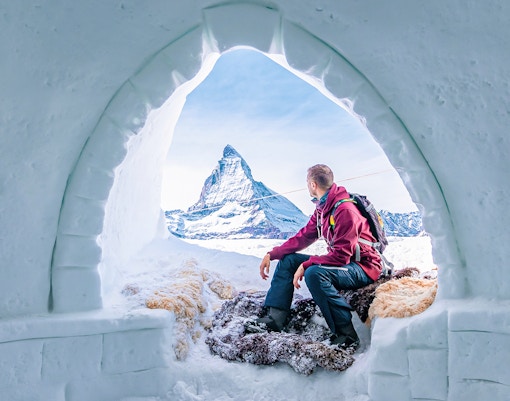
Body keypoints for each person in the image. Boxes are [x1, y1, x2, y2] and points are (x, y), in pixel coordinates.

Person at [246, 164, 382, 347]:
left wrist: (308, 264)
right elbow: (304, 236)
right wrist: (273, 254)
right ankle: (275, 319)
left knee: (314, 273)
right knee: (289, 260)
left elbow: (341, 256)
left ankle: (347, 335)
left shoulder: (344, 210)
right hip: (345, 263)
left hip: (363, 267)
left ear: (312, 184)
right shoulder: (324, 208)